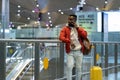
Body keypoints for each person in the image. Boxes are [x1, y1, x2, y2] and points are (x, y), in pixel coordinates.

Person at [59, 14, 88, 80]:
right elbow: (61, 37)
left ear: (75, 20)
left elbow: (85, 35)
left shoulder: (79, 28)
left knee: (79, 68)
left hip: (79, 51)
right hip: (70, 52)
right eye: (69, 19)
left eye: (72, 20)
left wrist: (77, 28)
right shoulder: (65, 29)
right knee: (69, 67)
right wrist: (69, 41)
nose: (70, 21)